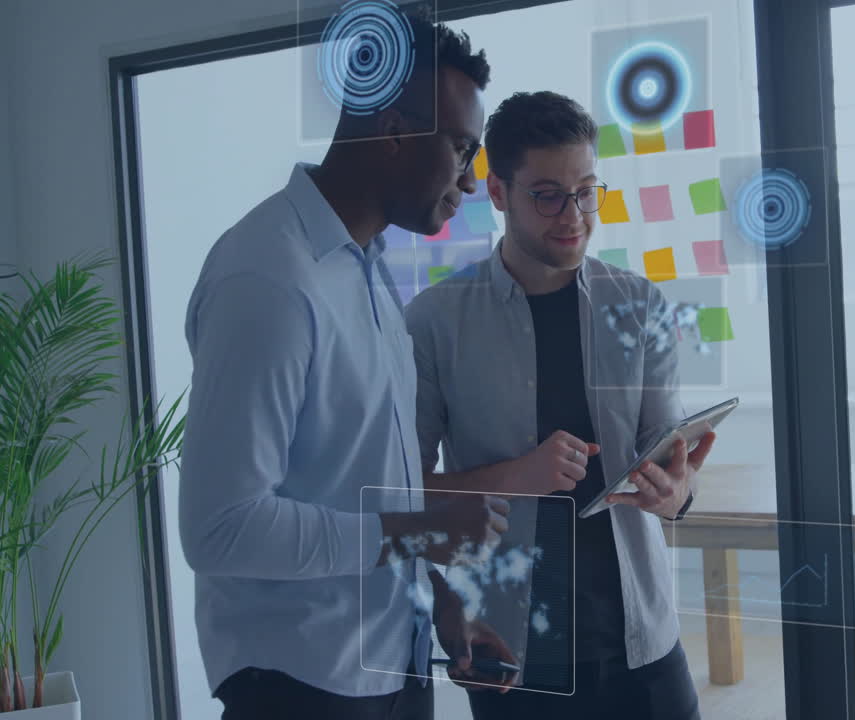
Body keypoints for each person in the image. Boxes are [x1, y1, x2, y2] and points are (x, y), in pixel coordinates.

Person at [179, 19, 514, 720]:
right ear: (393, 131)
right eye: (462, 148)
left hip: (393, 667)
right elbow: (220, 529)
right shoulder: (267, 278)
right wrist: (418, 528)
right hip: (300, 691)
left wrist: (445, 612)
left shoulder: (363, 271)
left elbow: (364, 488)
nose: (472, 180)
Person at [404, 90, 716, 720]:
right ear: (497, 193)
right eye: (547, 195)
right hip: (512, 653)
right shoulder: (434, 322)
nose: (573, 214)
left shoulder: (639, 304)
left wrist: (675, 493)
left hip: (642, 642)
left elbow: (671, 467)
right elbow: (400, 492)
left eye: (586, 191)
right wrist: (516, 479)